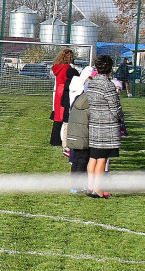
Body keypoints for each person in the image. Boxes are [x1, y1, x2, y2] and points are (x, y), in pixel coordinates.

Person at [85, 55, 125, 198]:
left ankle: (90, 186)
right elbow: (115, 107)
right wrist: (121, 117)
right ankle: (98, 189)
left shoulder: (92, 83)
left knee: (93, 157)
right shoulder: (108, 85)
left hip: (95, 122)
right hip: (106, 126)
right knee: (102, 158)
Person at [50, 48, 78, 148]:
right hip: (64, 92)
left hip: (58, 91)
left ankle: (54, 138)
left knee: (58, 117)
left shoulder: (58, 67)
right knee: (62, 117)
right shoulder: (67, 69)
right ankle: (57, 139)